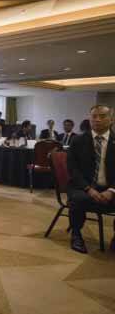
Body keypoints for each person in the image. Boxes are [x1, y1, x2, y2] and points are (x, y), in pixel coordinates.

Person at [67, 105, 115, 254]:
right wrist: (88, 189)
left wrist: (112, 190)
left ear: (111, 119)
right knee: (78, 199)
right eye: (94, 116)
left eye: (102, 116)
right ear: (89, 119)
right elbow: (73, 169)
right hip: (83, 186)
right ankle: (76, 234)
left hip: (110, 187)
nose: (97, 120)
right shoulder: (77, 140)